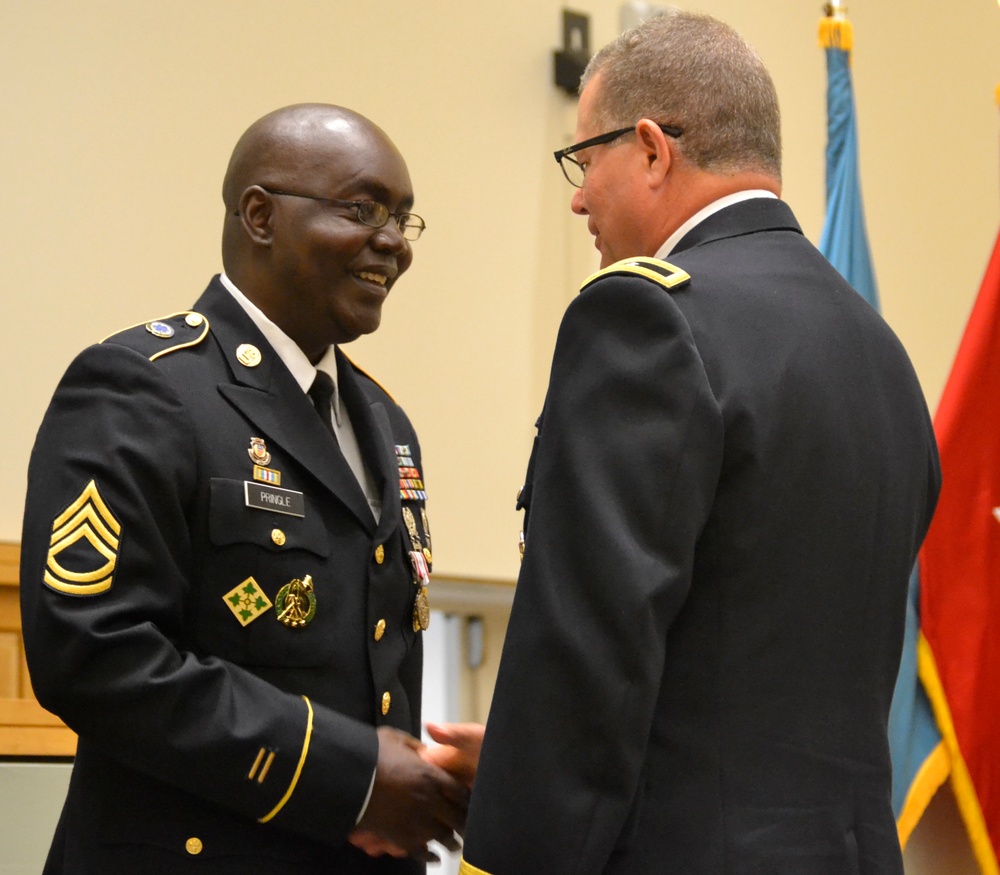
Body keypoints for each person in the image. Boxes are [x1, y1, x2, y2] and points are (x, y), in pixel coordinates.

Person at [458, 11, 940, 875]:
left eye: (584, 159)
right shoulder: (880, 353)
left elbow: (586, 655)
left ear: (650, 148)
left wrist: (505, 849)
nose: (576, 195)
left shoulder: (646, 316)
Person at [20, 103, 469, 874]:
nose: (393, 243)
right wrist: (350, 775)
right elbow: (94, 652)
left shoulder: (387, 423)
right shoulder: (144, 388)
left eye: (404, 218)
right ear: (259, 215)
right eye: (363, 209)